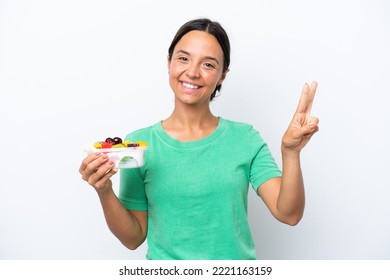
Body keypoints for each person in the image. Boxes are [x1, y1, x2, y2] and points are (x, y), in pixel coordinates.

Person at [79, 18, 319, 260]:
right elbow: (133, 238)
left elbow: (289, 214)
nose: (192, 72)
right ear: (169, 63)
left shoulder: (245, 139)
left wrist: (290, 153)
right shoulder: (138, 146)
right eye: (183, 58)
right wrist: (104, 190)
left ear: (223, 75)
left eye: (208, 64)